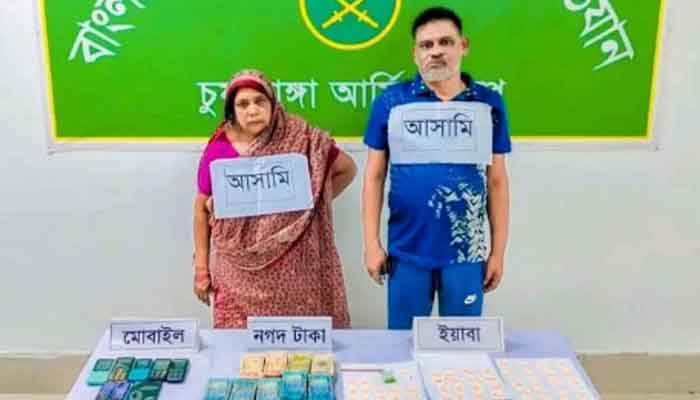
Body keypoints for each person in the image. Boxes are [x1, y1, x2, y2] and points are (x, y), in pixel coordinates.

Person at [362, 7, 511, 329]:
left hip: (466, 252)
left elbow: (497, 181)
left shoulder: (488, 104)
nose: (436, 51)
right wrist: (371, 244)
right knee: (402, 344)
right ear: (415, 53)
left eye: (445, 42)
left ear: (463, 46)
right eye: (426, 45)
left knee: (462, 344)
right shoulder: (392, 102)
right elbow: (374, 176)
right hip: (406, 250)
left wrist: (498, 252)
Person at [193, 69, 356, 328]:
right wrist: (201, 270)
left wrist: (307, 210)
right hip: (236, 272)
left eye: (260, 101)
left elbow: (347, 169)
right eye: (243, 104)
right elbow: (201, 210)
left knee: (297, 340)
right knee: (237, 344)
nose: (253, 110)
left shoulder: (300, 138)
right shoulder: (219, 148)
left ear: (273, 104)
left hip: (295, 269)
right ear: (231, 110)